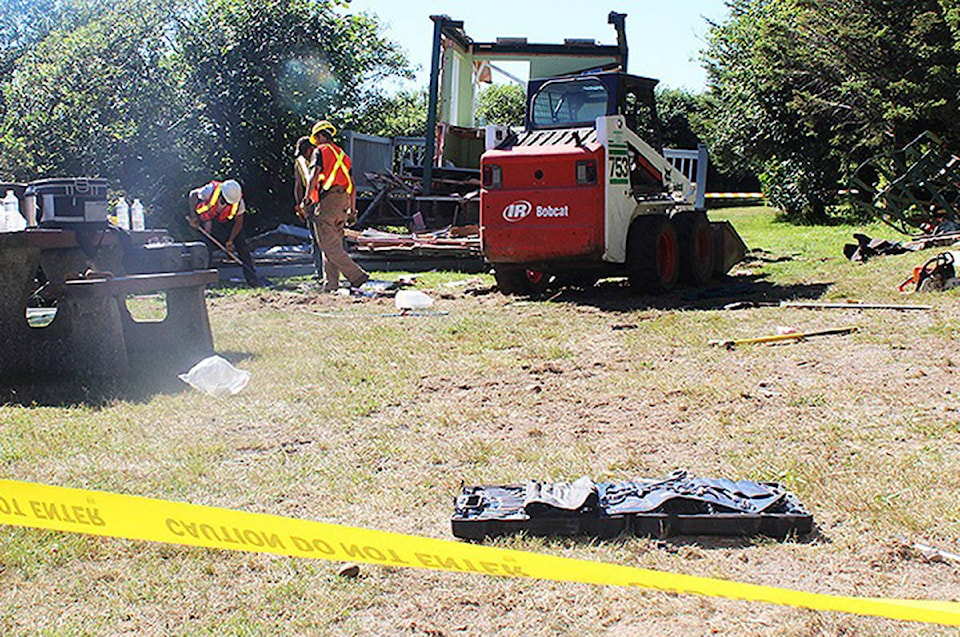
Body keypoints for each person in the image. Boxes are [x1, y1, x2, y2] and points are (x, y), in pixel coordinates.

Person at [303, 120, 368, 292]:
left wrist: (307, 198)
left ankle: (357, 275)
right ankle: (331, 285)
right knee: (332, 244)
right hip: (343, 203)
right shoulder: (343, 156)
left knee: (328, 245)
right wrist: (352, 210)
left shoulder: (320, 151)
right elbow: (352, 185)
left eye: (316, 139)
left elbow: (314, 175)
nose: (315, 143)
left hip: (328, 202)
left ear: (320, 136)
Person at [188, 179, 263, 286]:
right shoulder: (209, 190)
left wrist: (230, 241)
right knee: (206, 249)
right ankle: (205, 281)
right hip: (211, 220)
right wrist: (194, 217)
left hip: (228, 223)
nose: (227, 204)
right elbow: (192, 195)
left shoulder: (239, 202)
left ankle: (253, 279)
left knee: (243, 247)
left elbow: (238, 223)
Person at [293, 135, 324, 278]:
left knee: (325, 237)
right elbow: (298, 186)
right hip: (311, 203)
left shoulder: (320, 157)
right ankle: (319, 271)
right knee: (315, 237)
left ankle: (327, 271)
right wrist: (300, 206)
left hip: (324, 200)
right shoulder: (300, 163)